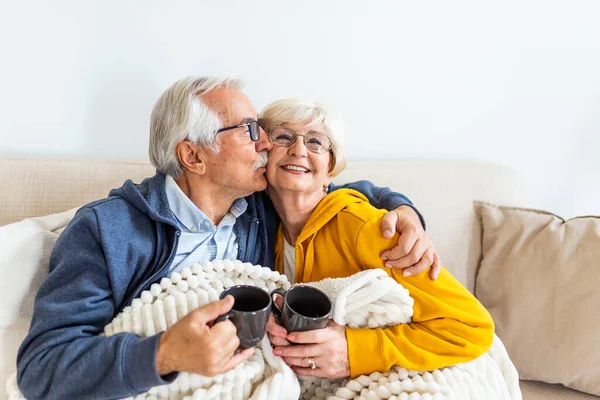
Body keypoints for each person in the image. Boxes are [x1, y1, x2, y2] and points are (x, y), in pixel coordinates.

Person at [16, 76, 439, 400]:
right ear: (193, 156)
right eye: (249, 129)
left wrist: (403, 210)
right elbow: (41, 369)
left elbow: (335, 187)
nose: (267, 142)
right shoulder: (107, 231)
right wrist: (163, 354)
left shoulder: (260, 207)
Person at [262, 99, 495, 379]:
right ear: (262, 153)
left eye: (315, 142)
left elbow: (473, 326)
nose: (298, 150)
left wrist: (356, 350)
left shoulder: (364, 227)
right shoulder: (270, 233)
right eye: (283, 137)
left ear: (330, 169)